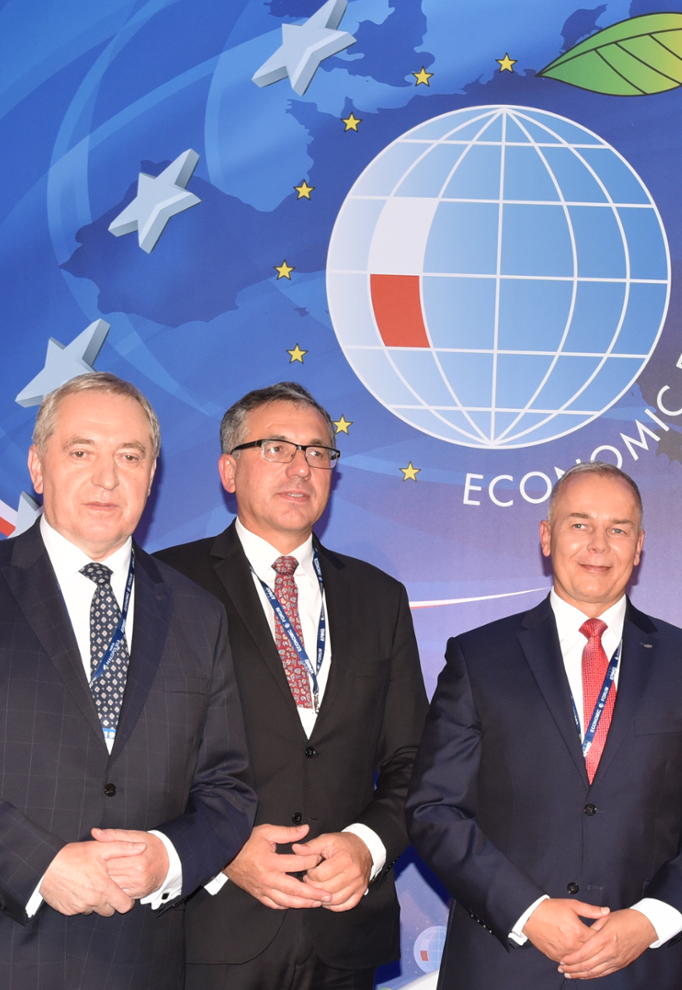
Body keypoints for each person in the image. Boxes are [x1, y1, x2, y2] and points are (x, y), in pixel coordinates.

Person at [0, 371, 255, 988]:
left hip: (136, 962)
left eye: (129, 456)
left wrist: (166, 859)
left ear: (152, 475)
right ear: (38, 467)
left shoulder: (199, 614)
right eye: (81, 452)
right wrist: (41, 866)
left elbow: (227, 789)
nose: (107, 478)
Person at [408, 462, 682, 987]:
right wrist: (528, 912)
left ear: (639, 547)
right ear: (546, 537)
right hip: (505, 964)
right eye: (579, 524)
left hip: (643, 967)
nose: (598, 545)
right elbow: (434, 808)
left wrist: (650, 921)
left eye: (618, 529)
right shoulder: (479, 657)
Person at [157, 383, 427, 990]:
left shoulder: (379, 597)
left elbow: (414, 760)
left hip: (343, 934)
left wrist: (366, 846)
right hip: (210, 931)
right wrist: (220, 852)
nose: (301, 467)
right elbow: (133, 762)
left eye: (317, 452)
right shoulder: (168, 584)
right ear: (229, 470)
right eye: (276, 448)